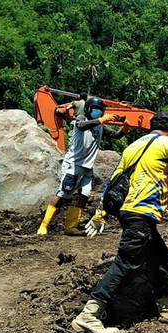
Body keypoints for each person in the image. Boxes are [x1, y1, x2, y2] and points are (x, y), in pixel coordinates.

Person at [71, 112, 168, 333]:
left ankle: (166, 306)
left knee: (160, 257)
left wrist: (101, 213)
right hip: (143, 213)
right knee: (125, 262)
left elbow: (113, 181)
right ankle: (89, 314)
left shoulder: (132, 146)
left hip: (127, 212)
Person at [37, 97, 130, 236]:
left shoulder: (99, 126)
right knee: (63, 193)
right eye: (95, 109)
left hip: (87, 167)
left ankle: (71, 226)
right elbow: (81, 126)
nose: (98, 112)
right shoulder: (80, 119)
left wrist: (124, 129)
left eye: (100, 110)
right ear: (88, 109)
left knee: (84, 195)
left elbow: (115, 135)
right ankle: (44, 225)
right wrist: (101, 120)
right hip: (74, 164)